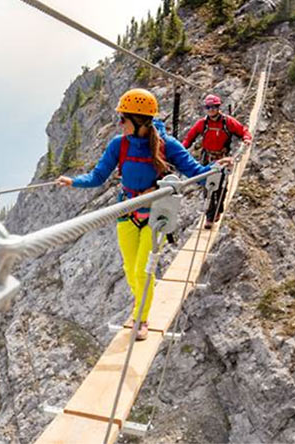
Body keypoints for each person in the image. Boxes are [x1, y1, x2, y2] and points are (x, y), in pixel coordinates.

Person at [55, 89, 232, 341]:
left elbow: (194, 172)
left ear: (138, 120)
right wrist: (73, 181)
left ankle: (142, 318)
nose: (119, 124)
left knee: (142, 271)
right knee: (130, 269)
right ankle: (142, 304)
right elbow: (97, 176)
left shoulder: (166, 145)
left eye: (122, 119)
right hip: (127, 213)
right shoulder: (119, 144)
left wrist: (215, 169)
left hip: (155, 215)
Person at [182, 94, 252, 228]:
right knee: (207, 188)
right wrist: (180, 149)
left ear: (219, 107)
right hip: (207, 158)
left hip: (222, 158)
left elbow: (243, 131)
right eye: (208, 107)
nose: (211, 110)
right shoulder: (202, 124)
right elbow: (189, 138)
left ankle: (218, 209)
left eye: (213, 107)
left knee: (221, 188)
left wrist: (247, 138)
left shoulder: (228, 122)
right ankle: (209, 217)